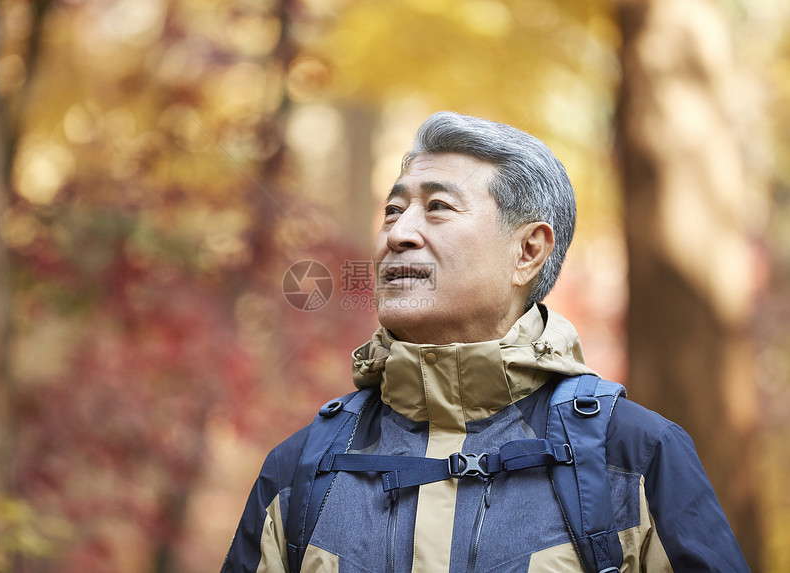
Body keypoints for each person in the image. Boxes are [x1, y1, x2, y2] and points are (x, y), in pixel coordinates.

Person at [222, 111, 748, 572]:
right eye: (392, 210)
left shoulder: (633, 456)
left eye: (438, 208)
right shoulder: (300, 470)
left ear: (528, 251)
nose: (398, 234)